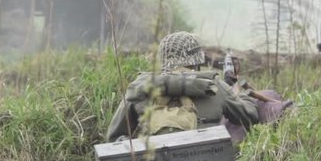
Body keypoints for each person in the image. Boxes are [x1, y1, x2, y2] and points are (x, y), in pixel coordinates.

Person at [106, 31, 259, 142]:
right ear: (197, 61)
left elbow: (113, 137)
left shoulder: (140, 89)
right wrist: (244, 94)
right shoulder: (215, 86)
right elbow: (250, 117)